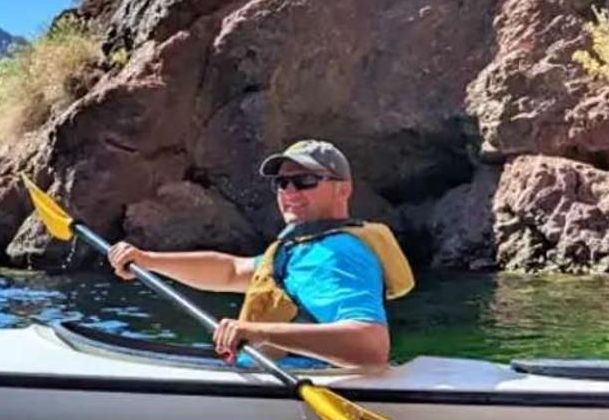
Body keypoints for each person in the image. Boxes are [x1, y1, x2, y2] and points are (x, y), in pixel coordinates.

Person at [106, 140, 414, 368]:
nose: (290, 193)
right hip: (273, 372)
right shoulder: (305, 245)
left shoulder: (336, 253)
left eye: (305, 181)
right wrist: (148, 261)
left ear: (342, 190)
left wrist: (257, 332)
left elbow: (371, 347)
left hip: (308, 382)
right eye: (282, 182)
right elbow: (230, 271)